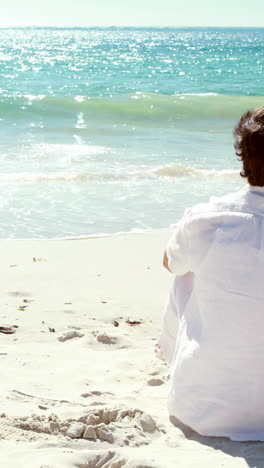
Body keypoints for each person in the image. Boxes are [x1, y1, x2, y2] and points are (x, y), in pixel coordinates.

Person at [157, 107, 264, 441]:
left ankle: (176, 357)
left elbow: (168, 262)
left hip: (202, 409)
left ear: (243, 158)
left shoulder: (207, 218)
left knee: (186, 270)